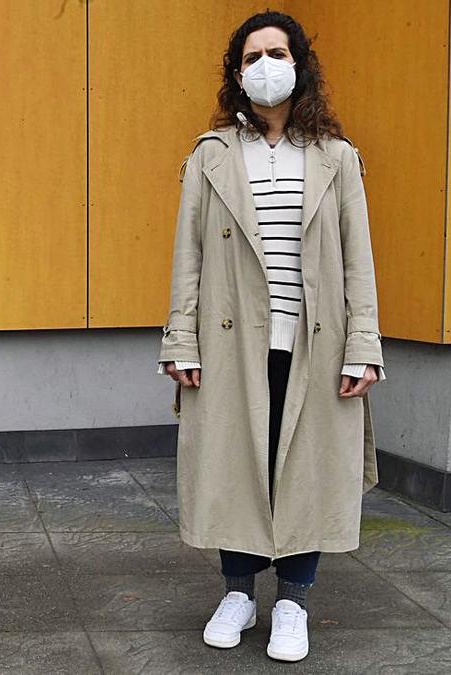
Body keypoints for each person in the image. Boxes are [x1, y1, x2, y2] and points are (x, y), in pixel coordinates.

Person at [159, 11, 383, 663]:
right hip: (232, 342)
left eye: (277, 52)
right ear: (236, 73)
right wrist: (181, 339)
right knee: (237, 463)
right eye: (252, 56)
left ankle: (292, 598)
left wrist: (363, 344)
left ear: (300, 63)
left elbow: (357, 259)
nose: (265, 66)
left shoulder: (337, 158)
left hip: (317, 341)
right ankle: (238, 590)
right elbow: (189, 255)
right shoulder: (212, 154)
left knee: (306, 470)